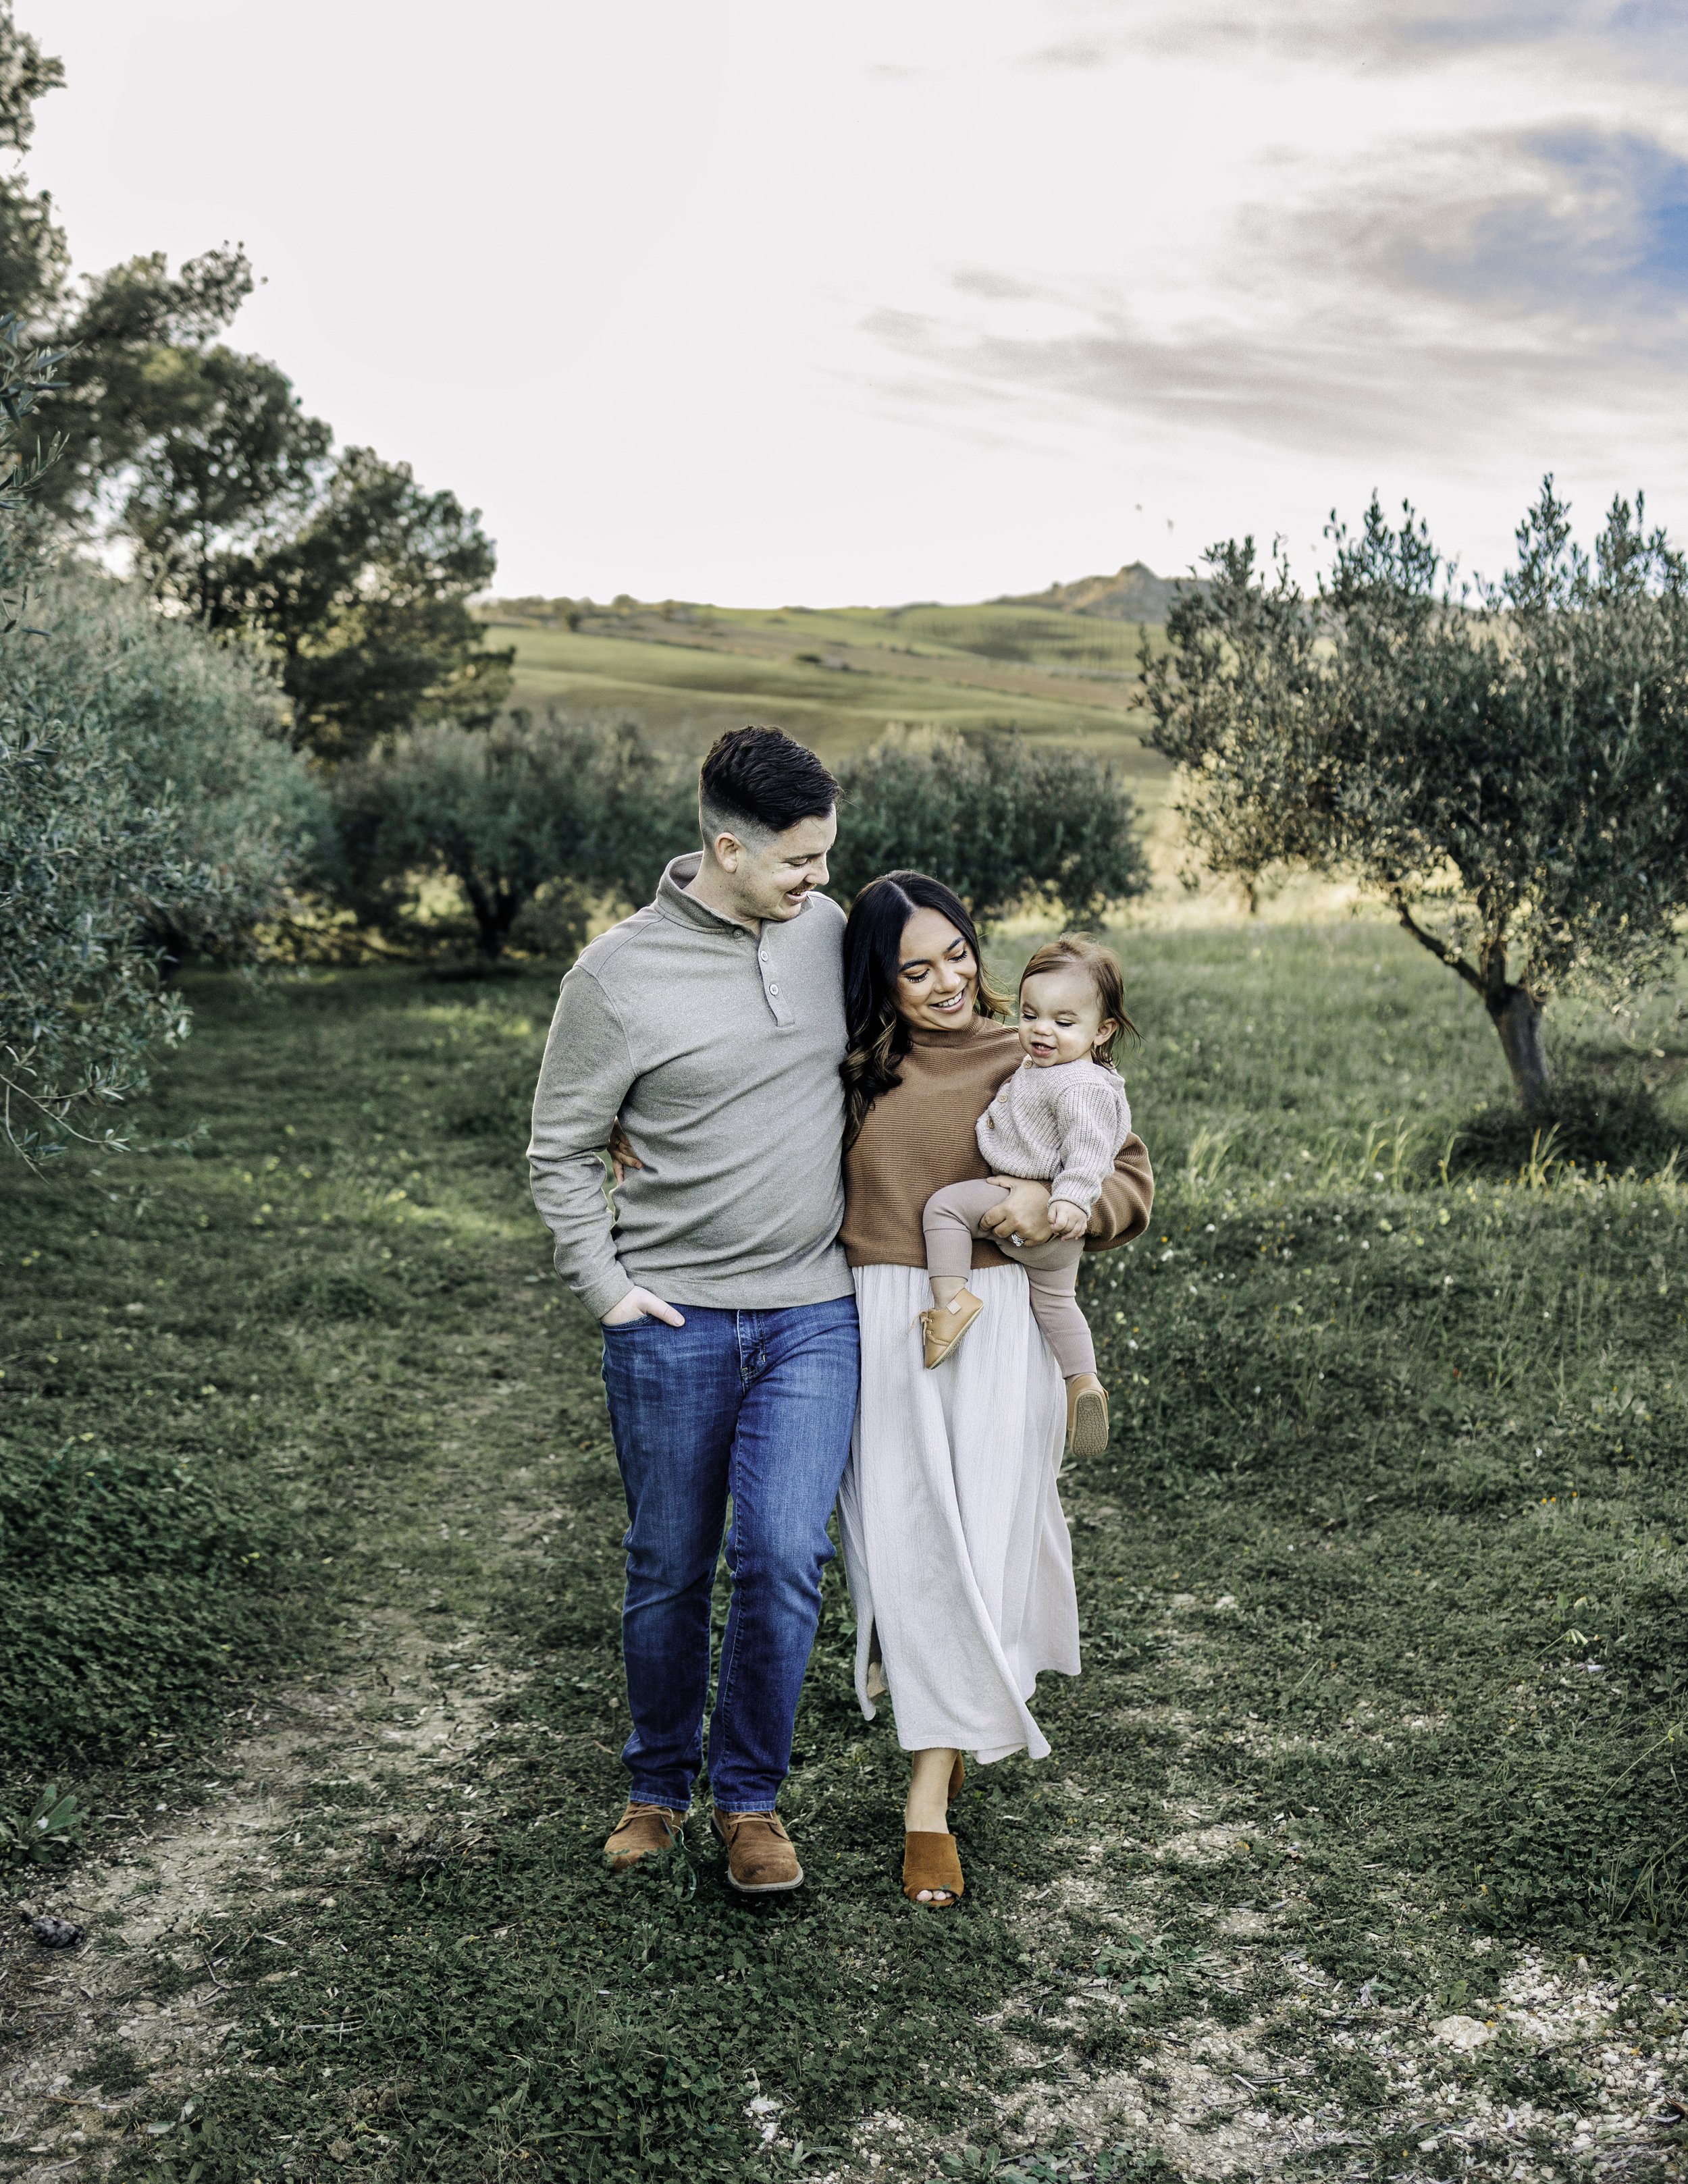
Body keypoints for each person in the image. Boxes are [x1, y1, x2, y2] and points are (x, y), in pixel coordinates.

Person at [527, 725, 857, 1895]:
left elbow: (925, 1038)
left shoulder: (831, 933)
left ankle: (751, 1799)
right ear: (727, 848)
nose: (820, 878)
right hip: (673, 1322)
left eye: (825, 854)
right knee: (669, 1561)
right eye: (799, 859)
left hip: (815, 1310)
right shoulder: (614, 977)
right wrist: (607, 1288)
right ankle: (657, 1786)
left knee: (784, 1553)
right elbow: (561, 1147)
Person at [835, 874, 1153, 1907]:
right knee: (905, 1546)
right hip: (885, 1322)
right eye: (916, 967)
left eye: (959, 954)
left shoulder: (1031, 1047)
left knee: (975, 1546)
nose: (947, 981)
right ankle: (946, 1707)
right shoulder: (847, 1064)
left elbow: (1128, 1175)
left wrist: (1054, 1201)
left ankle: (928, 1798)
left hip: (1001, 1318)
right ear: (879, 977)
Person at [920, 936, 1136, 1460]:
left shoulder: (1079, 1085)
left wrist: (1072, 1201)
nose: (1041, 1030)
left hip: (1037, 1207)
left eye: (1063, 1022)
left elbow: (1090, 1151)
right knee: (1058, 1305)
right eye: (1030, 1014)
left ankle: (951, 1303)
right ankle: (1082, 1382)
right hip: (1057, 1242)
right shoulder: (1053, 1067)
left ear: (1102, 1030)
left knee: (944, 1209)